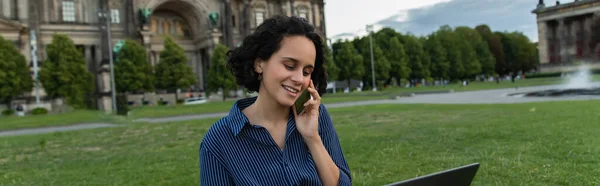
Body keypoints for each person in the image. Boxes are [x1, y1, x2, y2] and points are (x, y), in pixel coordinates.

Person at [199, 15, 352, 186]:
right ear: (259, 64)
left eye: (306, 71)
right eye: (289, 66)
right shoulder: (218, 141)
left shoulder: (316, 116)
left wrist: (312, 138)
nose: (299, 79)